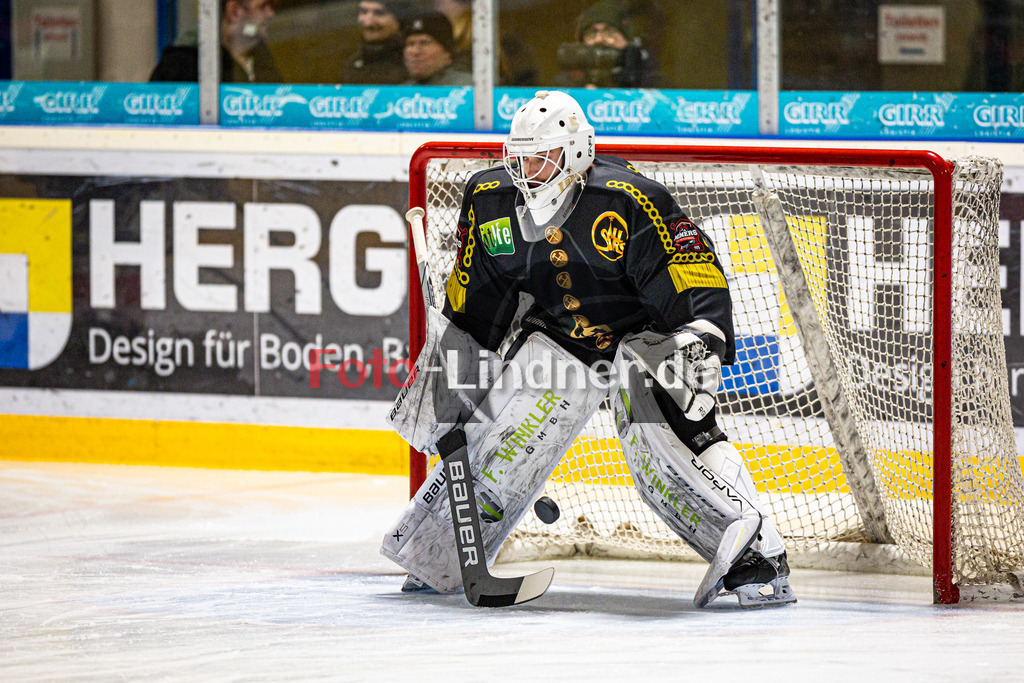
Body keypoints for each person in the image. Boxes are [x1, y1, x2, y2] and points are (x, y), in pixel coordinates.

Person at [382, 90, 795, 609]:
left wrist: (700, 339)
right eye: (519, 157)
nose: (527, 170)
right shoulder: (489, 201)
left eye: (542, 157)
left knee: (668, 449)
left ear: (576, 154)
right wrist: (452, 380)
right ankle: (440, 551)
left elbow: (692, 276)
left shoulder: (626, 201)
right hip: (559, 340)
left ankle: (760, 558)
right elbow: (476, 304)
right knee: (493, 431)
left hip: (640, 339)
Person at [150, 0, 281, 83]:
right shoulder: (183, 66)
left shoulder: (261, 58)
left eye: (273, 6)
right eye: (263, 6)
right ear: (234, 12)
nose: (271, 14)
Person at [553, 0, 660, 88]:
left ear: (627, 40)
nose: (599, 39)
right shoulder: (566, 83)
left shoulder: (651, 80)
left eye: (609, 32)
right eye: (591, 33)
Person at [340, 0, 415, 85]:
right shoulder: (353, 63)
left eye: (379, 13)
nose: (368, 23)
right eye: (363, 12)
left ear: (399, 20)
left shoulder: (412, 61)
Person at [401, 11, 472, 86]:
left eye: (424, 43)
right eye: (410, 44)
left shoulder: (467, 88)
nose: (415, 52)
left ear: (447, 52)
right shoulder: (400, 92)